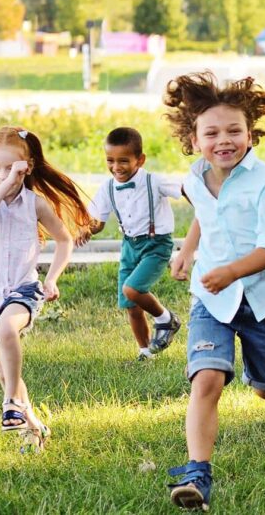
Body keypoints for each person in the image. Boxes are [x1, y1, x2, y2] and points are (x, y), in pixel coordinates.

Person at [162, 72, 265, 511]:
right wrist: (187, 250)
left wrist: (231, 272)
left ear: (251, 133)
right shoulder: (196, 176)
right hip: (211, 299)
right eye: (212, 132)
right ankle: (197, 473)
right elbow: (207, 213)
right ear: (193, 137)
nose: (224, 140)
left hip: (260, 298)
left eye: (234, 131)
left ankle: (264, 372)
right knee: (206, 380)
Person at [0, 127, 94, 452]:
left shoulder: (34, 204)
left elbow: (64, 240)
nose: (0, 175)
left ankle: (10, 401)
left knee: (5, 328)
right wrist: (5, 183)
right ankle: (33, 426)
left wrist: (51, 278)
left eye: (9, 168)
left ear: (27, 167)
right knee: (3, 372)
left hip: (22, 289)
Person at [84, 127, 182, 361]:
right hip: (129, 246)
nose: (116, 167)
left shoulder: (153, 181)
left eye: (123, 161)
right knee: (131, 304)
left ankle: (166, 319)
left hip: (155, 245)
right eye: (110, 160)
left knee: (132, 289)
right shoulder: (108, 187)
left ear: (140, 159)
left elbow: (183, 189)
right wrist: (85, 230)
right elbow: (97, 221)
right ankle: (145, 351)